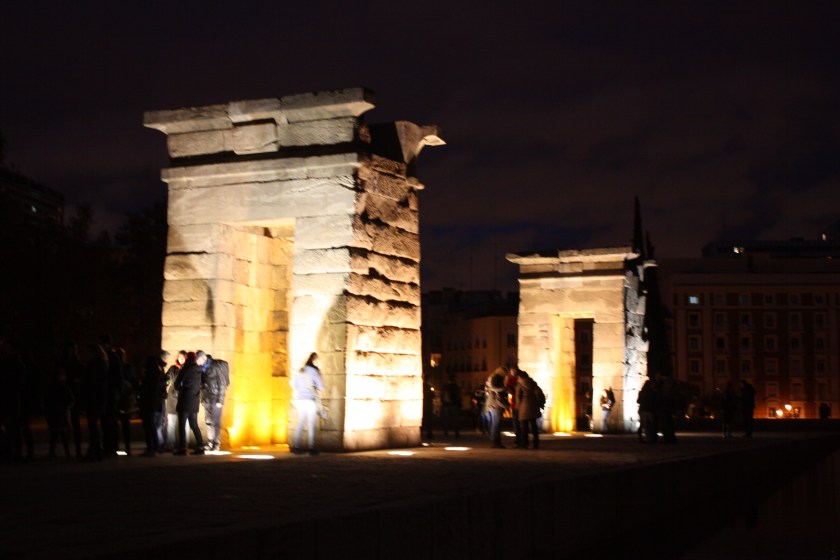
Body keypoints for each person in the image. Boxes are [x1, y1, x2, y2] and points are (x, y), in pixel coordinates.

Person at [290, 352, 324, 455]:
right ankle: (312, 448)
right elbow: (321, 387)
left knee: (301, 422)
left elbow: (294, 386)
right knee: (311, 424)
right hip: (310, 399)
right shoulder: (315, 371)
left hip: (300, 400)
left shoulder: (301, 370)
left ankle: (296, 446)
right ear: (315, 361)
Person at [197, 350, 229, 451]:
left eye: (198, 360)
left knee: (216, 423)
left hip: (216, 399)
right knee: (208, 422)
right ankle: (210, 443)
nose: (197, 362)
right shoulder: (202, 368)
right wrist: (202, 398)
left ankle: (216, 444)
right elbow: (202, 385)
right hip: (207, 398)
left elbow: (222, 383)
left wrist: (220, 400)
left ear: (203, 358)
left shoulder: (215, 366)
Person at [174, 352, 205, 455]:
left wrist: (181, 388)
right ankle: (200, 446)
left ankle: (183, 448)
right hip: (194, 400)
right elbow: (202, 384)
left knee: (182, 425)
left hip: (184, 400)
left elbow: (177, 385)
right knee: (194, 424)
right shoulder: (199, 370)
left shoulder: (185, 369)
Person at [138, 351, 168, 456]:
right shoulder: (157, 373)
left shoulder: (151, 375)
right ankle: (154, 447)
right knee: (151, 425)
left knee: (149, 425)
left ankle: (152, 448)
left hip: (149, 402)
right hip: (153, 403)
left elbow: (147, 389)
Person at [45, 367, 75, 459]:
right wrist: (66, 407)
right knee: (62, 433)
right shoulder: (64, 387)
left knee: (54, 433)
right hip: (61, 413)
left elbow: (46, 400)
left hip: (54, 412)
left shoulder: (51, 387)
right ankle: (66, 453)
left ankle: (52, 452)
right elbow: (71, 400)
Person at [163, 350, 185, 451]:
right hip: (172, 399)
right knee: (171, 423)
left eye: (183, 357)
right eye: (179, 357)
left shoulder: (187, 369)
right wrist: (168, 382)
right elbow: (167, 378)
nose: (181, 359)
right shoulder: (173, 368)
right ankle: (170, 444)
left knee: (184, 424)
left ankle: (184, 444)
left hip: (182, 399)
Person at [516, 370, 542, 450]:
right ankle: (536, 443)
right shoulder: (533, 383)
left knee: (524, 427)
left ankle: (524, 444)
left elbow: (518, 397)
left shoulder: (520, 384)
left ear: (520, 377)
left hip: (524, 406)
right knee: (534, 426)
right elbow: (539, 393)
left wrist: (518, 406)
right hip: (533, 405)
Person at [484, 369, 509, 448]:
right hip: (496, 404)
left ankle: (495, 441)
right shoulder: (496, 378)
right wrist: (505, 389)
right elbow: (496, 389)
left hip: (492, 404)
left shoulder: (491, 378)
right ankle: (496, 442)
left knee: (494, 424)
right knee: (496, 424)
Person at [504, 366, 523, 447]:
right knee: (518, 423)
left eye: (513, 372)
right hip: (515, 404)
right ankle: (520, 440)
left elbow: (507, 388)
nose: (512, 373)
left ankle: (519, 441)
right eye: (511, 372)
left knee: (517, 423)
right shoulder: (513, 379)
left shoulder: (516, 379)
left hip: (517, 405)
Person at [637, 376, 658, 443]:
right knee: (652, 425)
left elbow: (638, 401)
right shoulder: (653, 392)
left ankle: (647, 438)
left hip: (643, 410)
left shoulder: (641, 392)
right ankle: (652, 438)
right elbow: (655, 402)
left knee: (645, 425)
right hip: (650, 410)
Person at [440, 374, 461, 438]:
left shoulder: (445, 386)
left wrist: (443, 402)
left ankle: (446, 431)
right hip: (453, 404)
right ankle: (456, 432)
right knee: (455, 419)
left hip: (446, 404)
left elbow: (442, 395)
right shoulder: (456, 386)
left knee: (446, 419)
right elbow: (458, 396)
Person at [421, 374, 435, 440]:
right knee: (429, 420)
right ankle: (429, 434)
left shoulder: (421, 386)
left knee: (423, 420)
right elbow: (433, 396)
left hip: (423, 405)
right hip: (428, 405)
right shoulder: (429, 386)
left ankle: (421, 433)